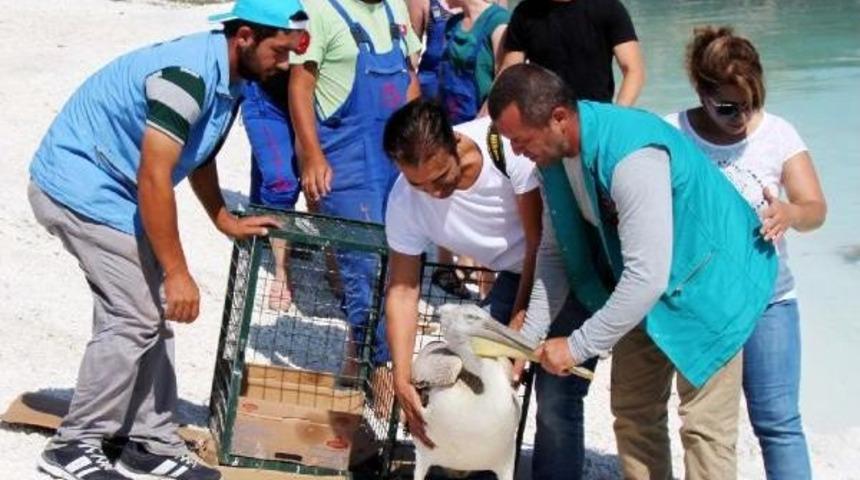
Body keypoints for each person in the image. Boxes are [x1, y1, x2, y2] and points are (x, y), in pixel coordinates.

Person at [28, 1, 309, 479]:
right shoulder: (185, 79)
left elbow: (198, 152)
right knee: (136, 314)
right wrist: (178, 272)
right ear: (244, 36)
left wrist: (223, 217)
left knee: (146, 310)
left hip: (118, 191)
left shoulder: (231, 78)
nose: (283, 64)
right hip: (81, 188)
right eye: (280, 51)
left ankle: (148, 441)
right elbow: (155, 178)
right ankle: (73, 445)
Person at [488, 64, 778, 480]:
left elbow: (648, 277)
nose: (516, 152)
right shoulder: (551, 157)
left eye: (520, 140)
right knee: (633, 413)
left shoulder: (631, 156)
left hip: (710, 285)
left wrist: (575, 346)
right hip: (644, 293)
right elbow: (555, 254)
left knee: (704, 431)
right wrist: (527, 339)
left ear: (558, 118)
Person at [666, 26, 826, 480]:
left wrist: (792, 213)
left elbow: (816, 208)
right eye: (727, 107)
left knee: (778, 423)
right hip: (700, 305)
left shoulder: (777, 134)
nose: (741, 117)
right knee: (706, 428)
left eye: (750, 103)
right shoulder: (672, 132)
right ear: (700, 89)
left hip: (768, 300)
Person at [288, 0, 422, 367]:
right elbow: (301, 86)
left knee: (399, 264)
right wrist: (312, 155)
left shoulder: (396, 8)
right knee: (362, 269)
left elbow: (409, 77)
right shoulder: (319, 10)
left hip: (395, 157)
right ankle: (377, 370)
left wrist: (419, 150)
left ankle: (360, 365)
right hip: (347, 159)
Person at [500, 0, 644, 106]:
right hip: (543, 118)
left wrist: (617, 115)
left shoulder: (608, 7)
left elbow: (633, 70)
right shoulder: (525, 13)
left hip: (595, 114)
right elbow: (509, 73)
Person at [242, 70, 303, 311]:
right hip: (263, 88)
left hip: (316, 93)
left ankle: (258, 214)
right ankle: (281, 271)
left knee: (270, 161)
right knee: (281, 183)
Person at [438, 0, 508, 124]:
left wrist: (481, 122)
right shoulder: (452, 24)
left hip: (483, 119)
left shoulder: (498, 21)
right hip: (451, 116)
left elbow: (503, 78)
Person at [408, 0, 456, 99]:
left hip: (467, 88)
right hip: (432, 85)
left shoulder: (486, 4)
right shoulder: (422, 2)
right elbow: (413, 52)